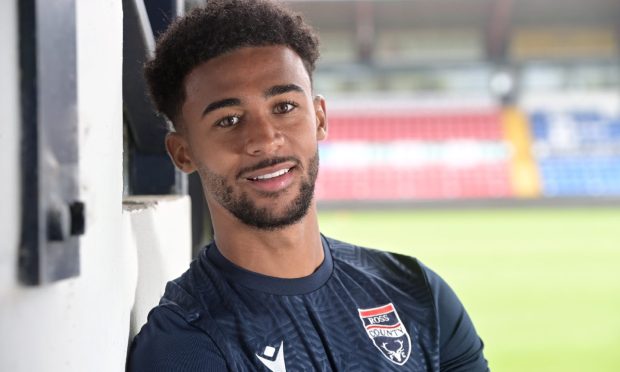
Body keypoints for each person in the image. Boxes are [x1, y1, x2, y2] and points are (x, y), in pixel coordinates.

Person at [127, 0, 488, 370]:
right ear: (182, 152)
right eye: (229, 119)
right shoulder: (183, 344)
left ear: (319, 118)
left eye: (284, 107)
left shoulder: (418, 294)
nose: (265, 140)